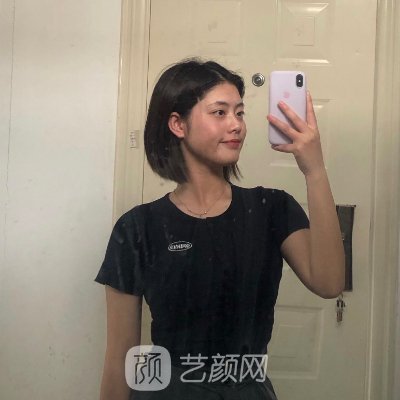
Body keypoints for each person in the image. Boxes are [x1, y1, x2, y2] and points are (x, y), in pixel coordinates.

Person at [95, 59, 345, 400]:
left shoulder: (272, 209)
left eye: (240, 113)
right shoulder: (138, 228)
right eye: (220, 112)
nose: (236, 125)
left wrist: (314, 170)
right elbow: (119, 358)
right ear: (178, 124)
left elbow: (329, 283)